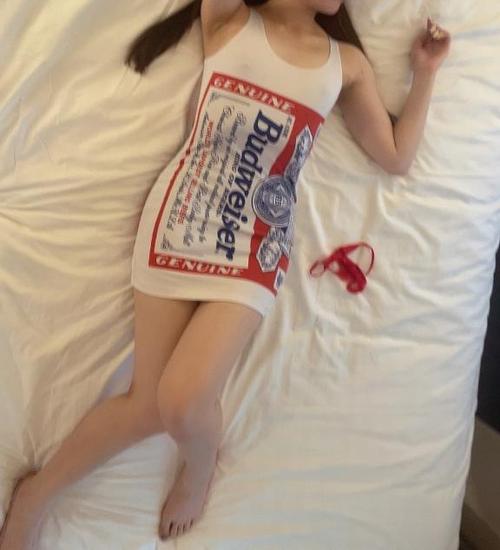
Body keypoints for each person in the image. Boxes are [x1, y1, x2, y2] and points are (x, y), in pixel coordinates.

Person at [0, 0, 451, 547]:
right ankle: (36, 495)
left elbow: (397, 156)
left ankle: (200, 464)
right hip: (180, 219)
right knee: (147, 405)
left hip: (255, 249)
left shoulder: (345, 64)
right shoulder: (231, 19)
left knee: (182, 401)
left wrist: (426, 72)